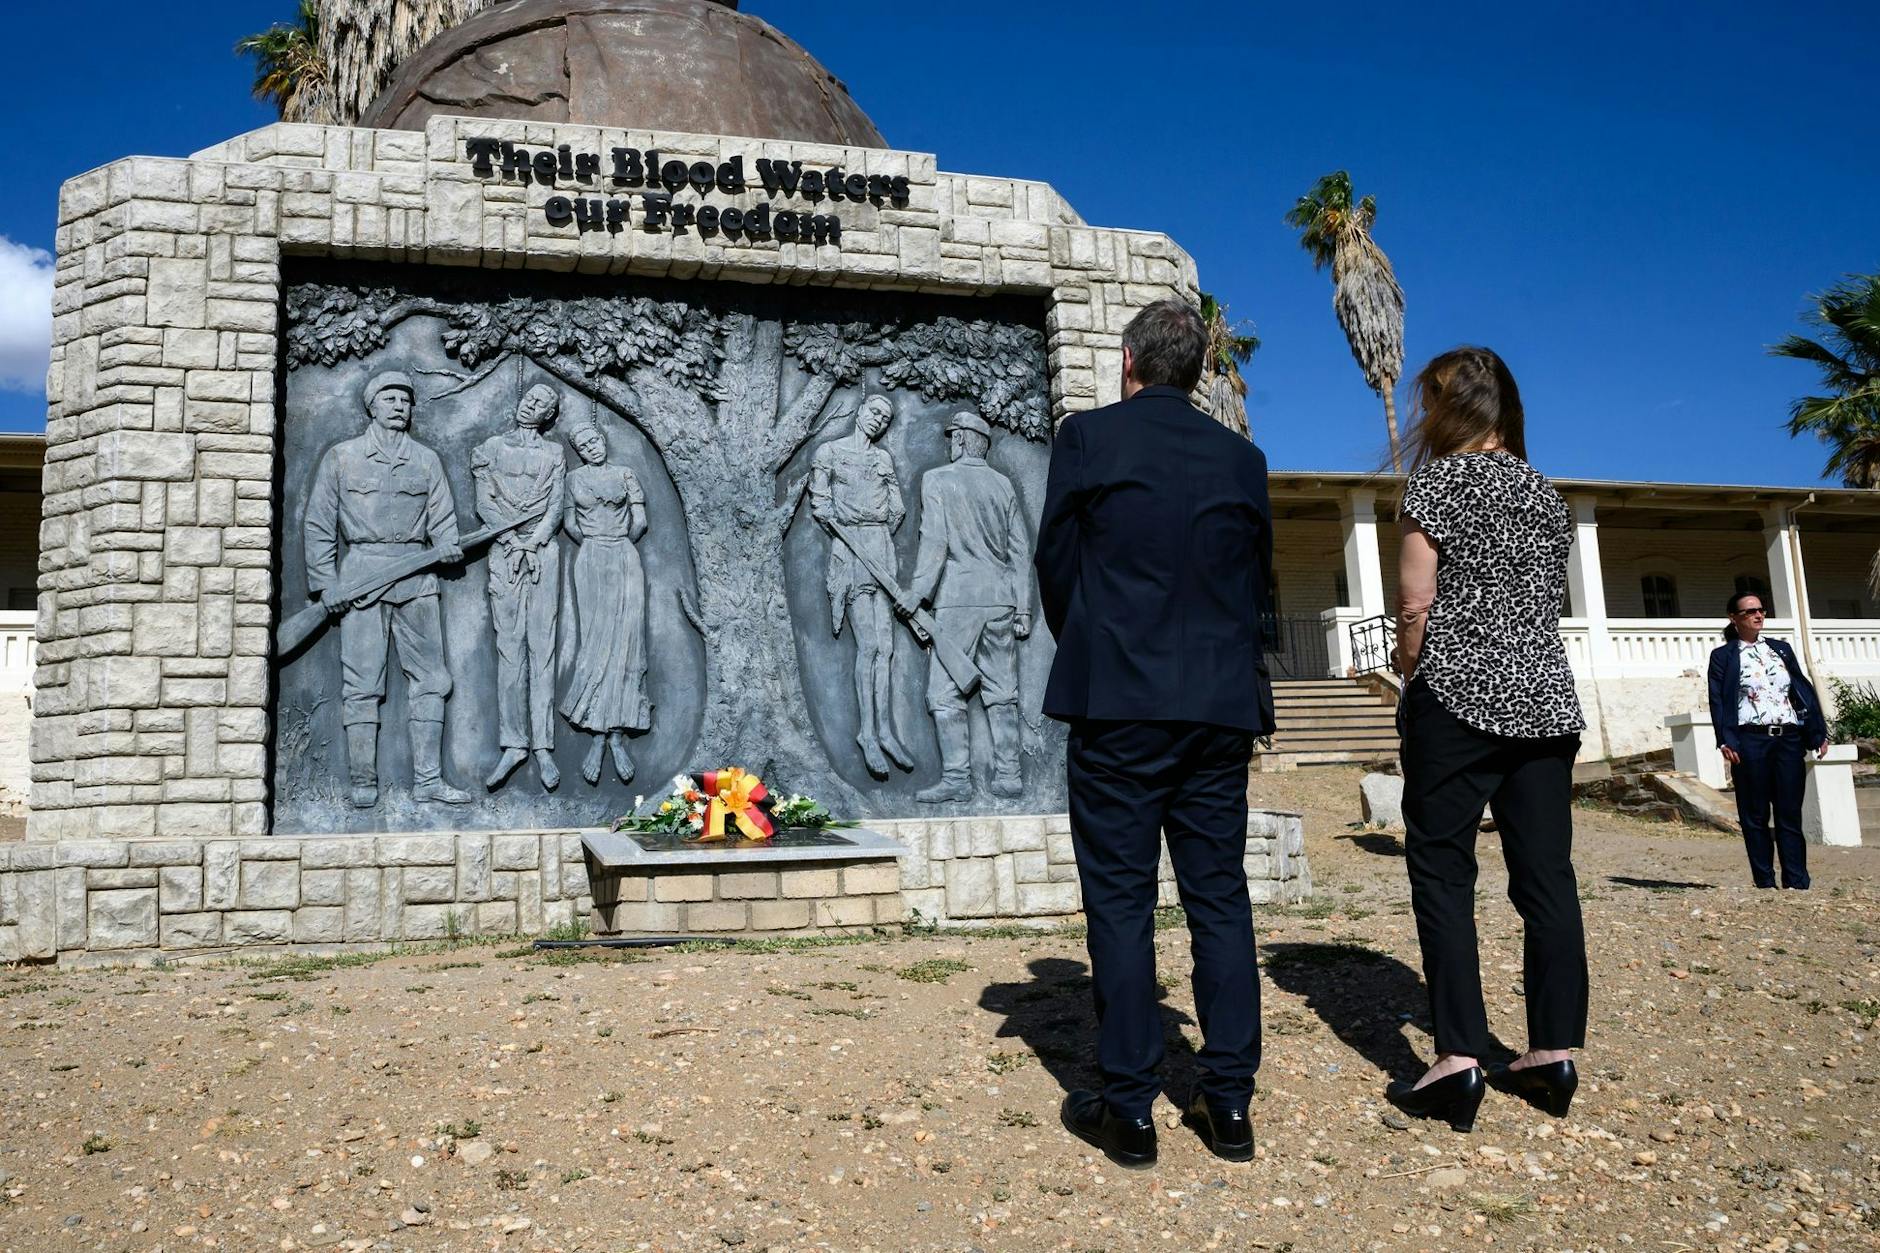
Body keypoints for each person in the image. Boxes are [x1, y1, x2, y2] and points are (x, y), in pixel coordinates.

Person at [1035, 298, 1275, 1169]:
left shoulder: (1088, 439)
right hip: (1217, 707)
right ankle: (1231, 1102)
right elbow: (1258, 582)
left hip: (1120, 705)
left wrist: (1102, 643)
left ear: (1129, 362)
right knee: (1218, 897)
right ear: (1198, 369)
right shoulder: (1243, 459)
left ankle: (1131, 1108)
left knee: (1123, 901)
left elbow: (1055, 564)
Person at [1389, 346, 1587, 1133]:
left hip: (1458, 699)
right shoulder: (1546, 494)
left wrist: (1411, 670)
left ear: (1448, 407)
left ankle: (1459, 1056)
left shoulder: (1436, 483)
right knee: (1546, 878)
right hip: (1544, 700)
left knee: (1443, 870)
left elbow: (1414, 600)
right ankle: (1553, 1050)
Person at [303, 371, 472, 808]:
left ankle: (428, 781)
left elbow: (443, 520)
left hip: (417, 579)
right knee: (361, 684)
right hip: (362, 578)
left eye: (406, 400)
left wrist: (448, 546)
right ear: (371, 405)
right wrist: (326, 584)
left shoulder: (427, 460)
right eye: (390, 398)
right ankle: (363, 781)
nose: (400, 406)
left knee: (433, 680)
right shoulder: (342, 458)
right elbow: (320, 525)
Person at [903, 410, 1032, 802]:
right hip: (1000, 600)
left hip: (958, 601)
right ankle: (1009, 777)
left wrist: (917, 595)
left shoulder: (938, 480)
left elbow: (935, 544)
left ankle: (957, 779)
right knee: (1001, 691)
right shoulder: (1003, 485)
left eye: (951, 437)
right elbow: (1020, 552)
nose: (948, 443)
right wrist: (1023, 608)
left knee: (944, 693)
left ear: (960, 440)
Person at [810, 394, 914, 779]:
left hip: (879, 548)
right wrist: (850, 527)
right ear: (859, 412)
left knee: (886, 648)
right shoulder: (831, 452)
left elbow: (897, 508)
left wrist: (877, 533)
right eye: (874, 412)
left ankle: (886, 730)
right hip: (848, 548)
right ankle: (867, 733)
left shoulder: (883, 459)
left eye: (886, 418)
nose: (879, 421)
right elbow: (820, 503)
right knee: (868, 645)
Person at [472, 383, 569, 792]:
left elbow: (556, 505)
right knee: (509, 649)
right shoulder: (490, 448)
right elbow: (485, 502)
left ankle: (543, 745)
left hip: (543, 552)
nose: (532, 405)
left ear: (549, 416)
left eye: (542, 404)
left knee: (542, 648)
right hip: (505, 552)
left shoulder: (554, 454)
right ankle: (514, 744)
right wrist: (513, 542)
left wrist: (535, 542)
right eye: (529, 397)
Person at [1707, 592, 1829, 890]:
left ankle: (1797, 882)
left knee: (1789, 812)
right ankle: (1764, 881)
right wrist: (1726, 739)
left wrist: (1816, 732)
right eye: (1750, 611)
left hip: (1788, 739)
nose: (1758, 615)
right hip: (1750, 741)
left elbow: (1801, 690)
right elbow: (1718, 702)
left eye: (1761, 610)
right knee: (1755, 814)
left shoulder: (1781, 649)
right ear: (1734, 618)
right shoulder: (1724, 656)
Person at [559, 414, 652, 787]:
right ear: (579, 453)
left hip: (624, 556)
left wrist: (617, 542)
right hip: (592, 558)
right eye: (583, 447)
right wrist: (596, 545)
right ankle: (596, 737)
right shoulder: (574, 480)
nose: (591, 448)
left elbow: (640, 521)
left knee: (627, 644)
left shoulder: (626, 474)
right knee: (596, 643)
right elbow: (570, 523)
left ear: (602, 442)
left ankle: (617, 737)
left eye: (594, 442)